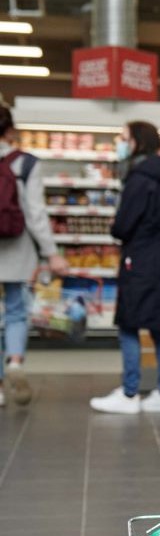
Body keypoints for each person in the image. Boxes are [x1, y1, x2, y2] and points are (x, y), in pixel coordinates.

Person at [90, 121, 160, 414]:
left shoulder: (138, 178)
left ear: (136, 141)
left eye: (123, 138)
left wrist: (115, 225)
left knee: (129, 324)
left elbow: (123, 226)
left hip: (141, 257)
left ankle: (130, 393)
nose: (121, 143)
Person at [0, 102, 70, 407]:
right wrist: (52, 253)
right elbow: (36, 214)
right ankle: (15, 362)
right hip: (17, 247)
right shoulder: (26, 164)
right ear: (10, 129)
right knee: (15, 309)